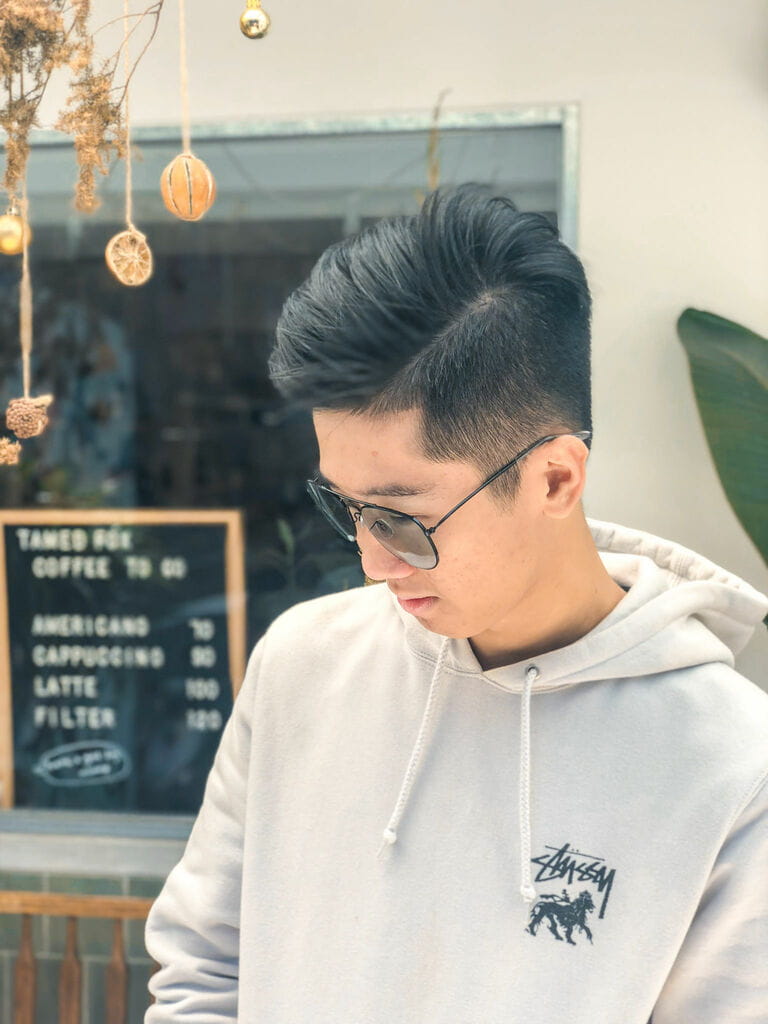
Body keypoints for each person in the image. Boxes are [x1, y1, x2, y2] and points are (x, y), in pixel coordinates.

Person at [144, 186, 768, 1023]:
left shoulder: (731, 762)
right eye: (346, 507)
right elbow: (203, 972)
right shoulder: (302, 663)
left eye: (403, 516)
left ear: (555, 478)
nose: (371, 561)